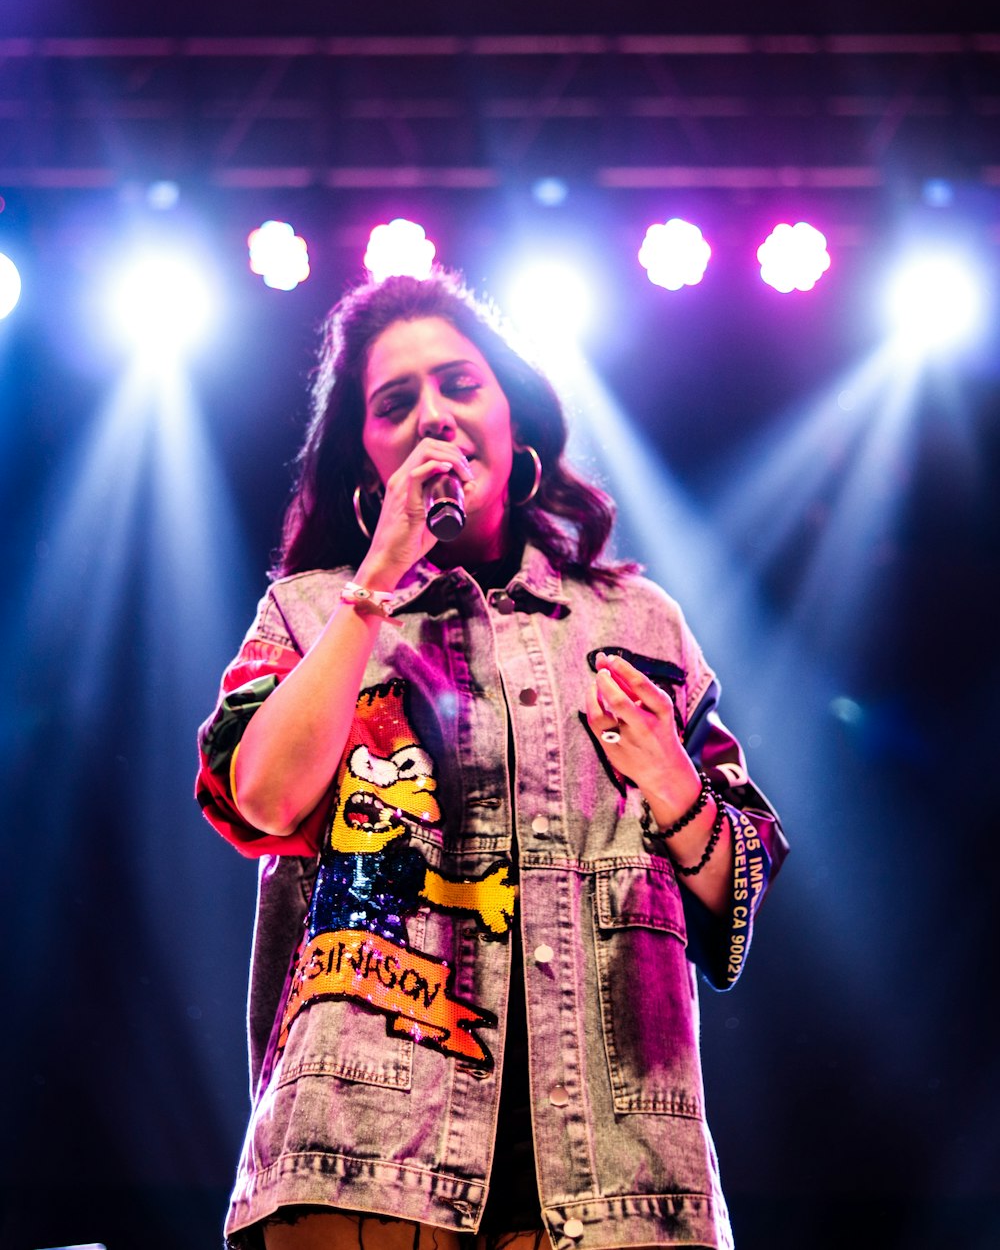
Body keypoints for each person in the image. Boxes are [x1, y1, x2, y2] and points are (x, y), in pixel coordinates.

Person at [196, 269, 788, 1250]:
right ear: (367, 458)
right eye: (397, 402)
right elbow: (258, 797)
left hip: (624, 1181)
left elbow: (742, 882)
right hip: (362, 1166)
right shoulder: (309, 613)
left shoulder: (636, 623)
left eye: (460, 385)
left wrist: (675, 790)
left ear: (513, 420)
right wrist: (375, 585)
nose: (435, 415)